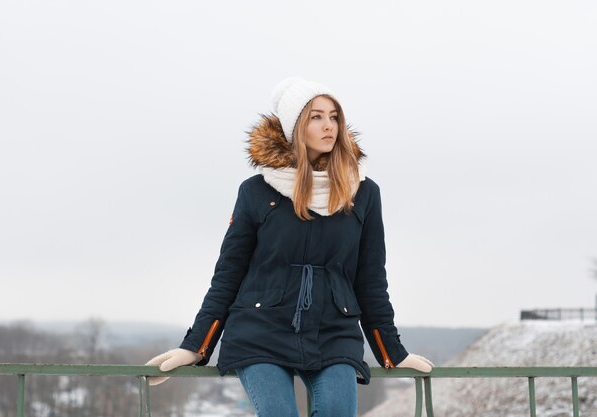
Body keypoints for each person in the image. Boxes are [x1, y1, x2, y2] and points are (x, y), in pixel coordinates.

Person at [146, 77, 434, 417]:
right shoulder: (257, 191)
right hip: (260, 331)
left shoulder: (364, 193)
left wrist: (392, 352)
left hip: (333, 333)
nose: (329, 126)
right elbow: (228, 274)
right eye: (316, 117)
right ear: (295, 126)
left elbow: (370, 279)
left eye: (334, 116)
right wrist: (196, 346)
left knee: (338, 411)